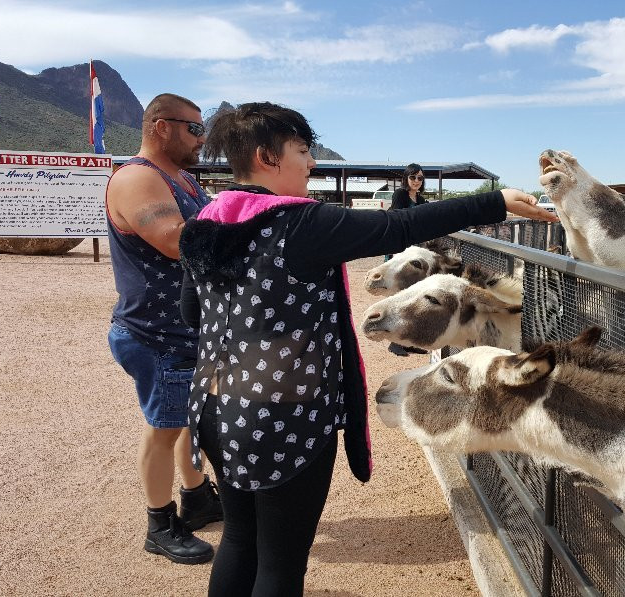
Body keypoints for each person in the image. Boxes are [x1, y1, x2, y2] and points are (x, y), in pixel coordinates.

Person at [177, 101, 558, 596]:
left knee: (241, 540)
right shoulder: (298, 224)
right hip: (283, 418)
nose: (310, 162)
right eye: (301, 150)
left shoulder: (208, 222)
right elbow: (396, 229)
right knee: (280, 563)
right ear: (266, 157)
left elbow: (192, 314)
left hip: (217, 408)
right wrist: (495, 201)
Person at [105, 93, 223, 565]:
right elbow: (176, 242)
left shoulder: (183, 180)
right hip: (157, 335)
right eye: (194, 129)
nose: (202, 138)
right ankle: (159, 523)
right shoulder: (136, 178)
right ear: (160, 127)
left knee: (187, 420)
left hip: (185, 331)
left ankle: (196, 500)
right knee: (165, 427)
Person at [385, 163, 431, 356]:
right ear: (406, 179)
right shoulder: (400, 196)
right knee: (398, 296)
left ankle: (409, 340)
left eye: (420, 178)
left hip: (414, 253)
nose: (416, 181)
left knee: (412, 297)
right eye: (413, 177)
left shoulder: (420, 199)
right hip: (400, 251)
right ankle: (394, 341)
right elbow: (400, 220)